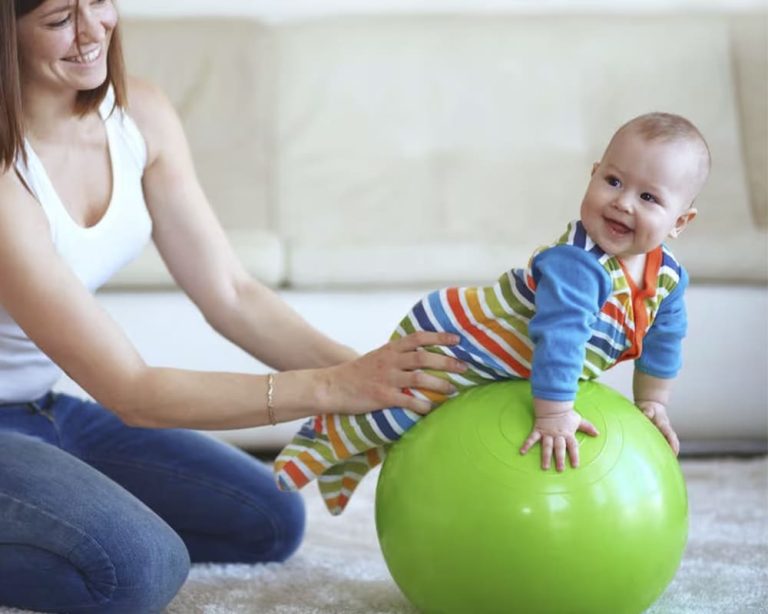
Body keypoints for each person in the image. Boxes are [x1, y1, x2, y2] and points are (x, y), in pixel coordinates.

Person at [0, 1, 468, 612]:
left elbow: (231, 293)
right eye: (59, 18)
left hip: (42, 408)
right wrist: (331, 388)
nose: (92, 31)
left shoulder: (140, 115)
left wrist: (381, 377)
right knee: (138, 569)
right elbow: (132, 391)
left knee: (269, 520)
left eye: (98, 2)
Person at [275, 111, 711, 516]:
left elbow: (664, 340)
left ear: (680, 222)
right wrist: (553, 414)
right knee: (404, 407)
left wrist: (652, 402)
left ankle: (350, 461)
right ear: (593, 174)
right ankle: (321, 442)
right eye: (613, 181)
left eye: (648, 197)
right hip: (465, 340)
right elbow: (561, 339)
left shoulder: (668, 277)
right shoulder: (578, 263)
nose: (623, 203)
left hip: (511, 362)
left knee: (406, 422)